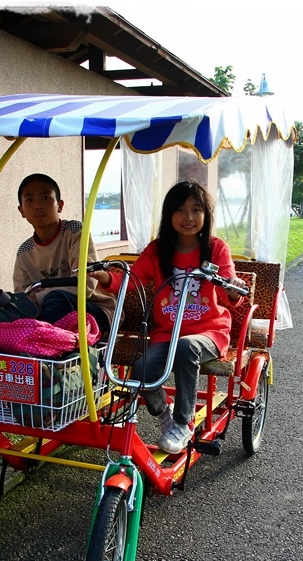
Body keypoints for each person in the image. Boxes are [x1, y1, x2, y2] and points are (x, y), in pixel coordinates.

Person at [97, 180, 247, 454]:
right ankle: (165, 416)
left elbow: (229, 292)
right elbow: (132, 281)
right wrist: (106, 278)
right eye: (180, 210)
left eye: (196, 210)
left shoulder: (216, 248)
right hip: (168, 334)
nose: (188, 218)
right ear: (169, 215)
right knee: (142, 372)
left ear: (206, 215)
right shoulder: (157, 250)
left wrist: (232, 287)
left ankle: (183, 421)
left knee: (186, 346)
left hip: (208, 333)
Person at [13, 173, 117, 337]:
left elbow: (85, 286)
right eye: (30, 200)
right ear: (22, 210)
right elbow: (24, 298)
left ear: (59, 205)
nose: (38, 205)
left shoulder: (75, 232)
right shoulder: (24, 252)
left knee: (56, 299)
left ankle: (46, 352)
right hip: (52, 312)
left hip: (95, 310)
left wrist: (41, 297)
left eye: (46, 198)